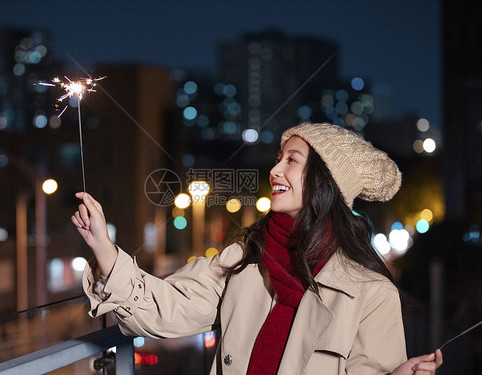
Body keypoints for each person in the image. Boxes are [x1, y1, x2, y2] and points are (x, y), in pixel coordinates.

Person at [72, 122, 443, 374]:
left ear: (324, 181)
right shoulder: (244, 259)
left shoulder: (371, 293)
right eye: (278, 159)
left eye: (291, 161)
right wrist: (104, 248)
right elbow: (166, 309)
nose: (275, 171)